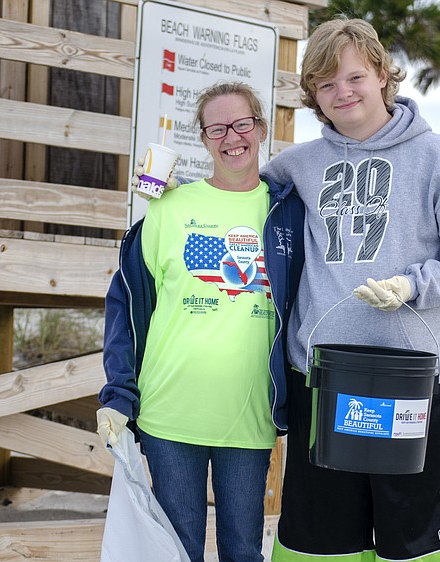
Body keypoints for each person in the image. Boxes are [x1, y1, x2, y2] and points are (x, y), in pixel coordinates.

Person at [261, 18, 440, 562]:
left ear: (381, 74)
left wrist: (415, 284)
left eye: (353, 77)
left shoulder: (437, 157)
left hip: (412, 383)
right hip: (322, 381)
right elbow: (235, 203)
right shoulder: (297, 165)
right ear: (313, 97)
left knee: (415, 543)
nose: (342, 93)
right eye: (325, 85)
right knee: (320, 541)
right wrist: (172, 195)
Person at [97, 81, 304, 562]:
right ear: (204, 139)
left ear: (261, 128)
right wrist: (118, 394)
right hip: (169, 417)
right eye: (217, 128)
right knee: (178, 550)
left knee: (243, 551)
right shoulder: (169, 208)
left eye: (242, 123)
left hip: (249, 417)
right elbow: (124, 308)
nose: (232, 136)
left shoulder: (288, 213)